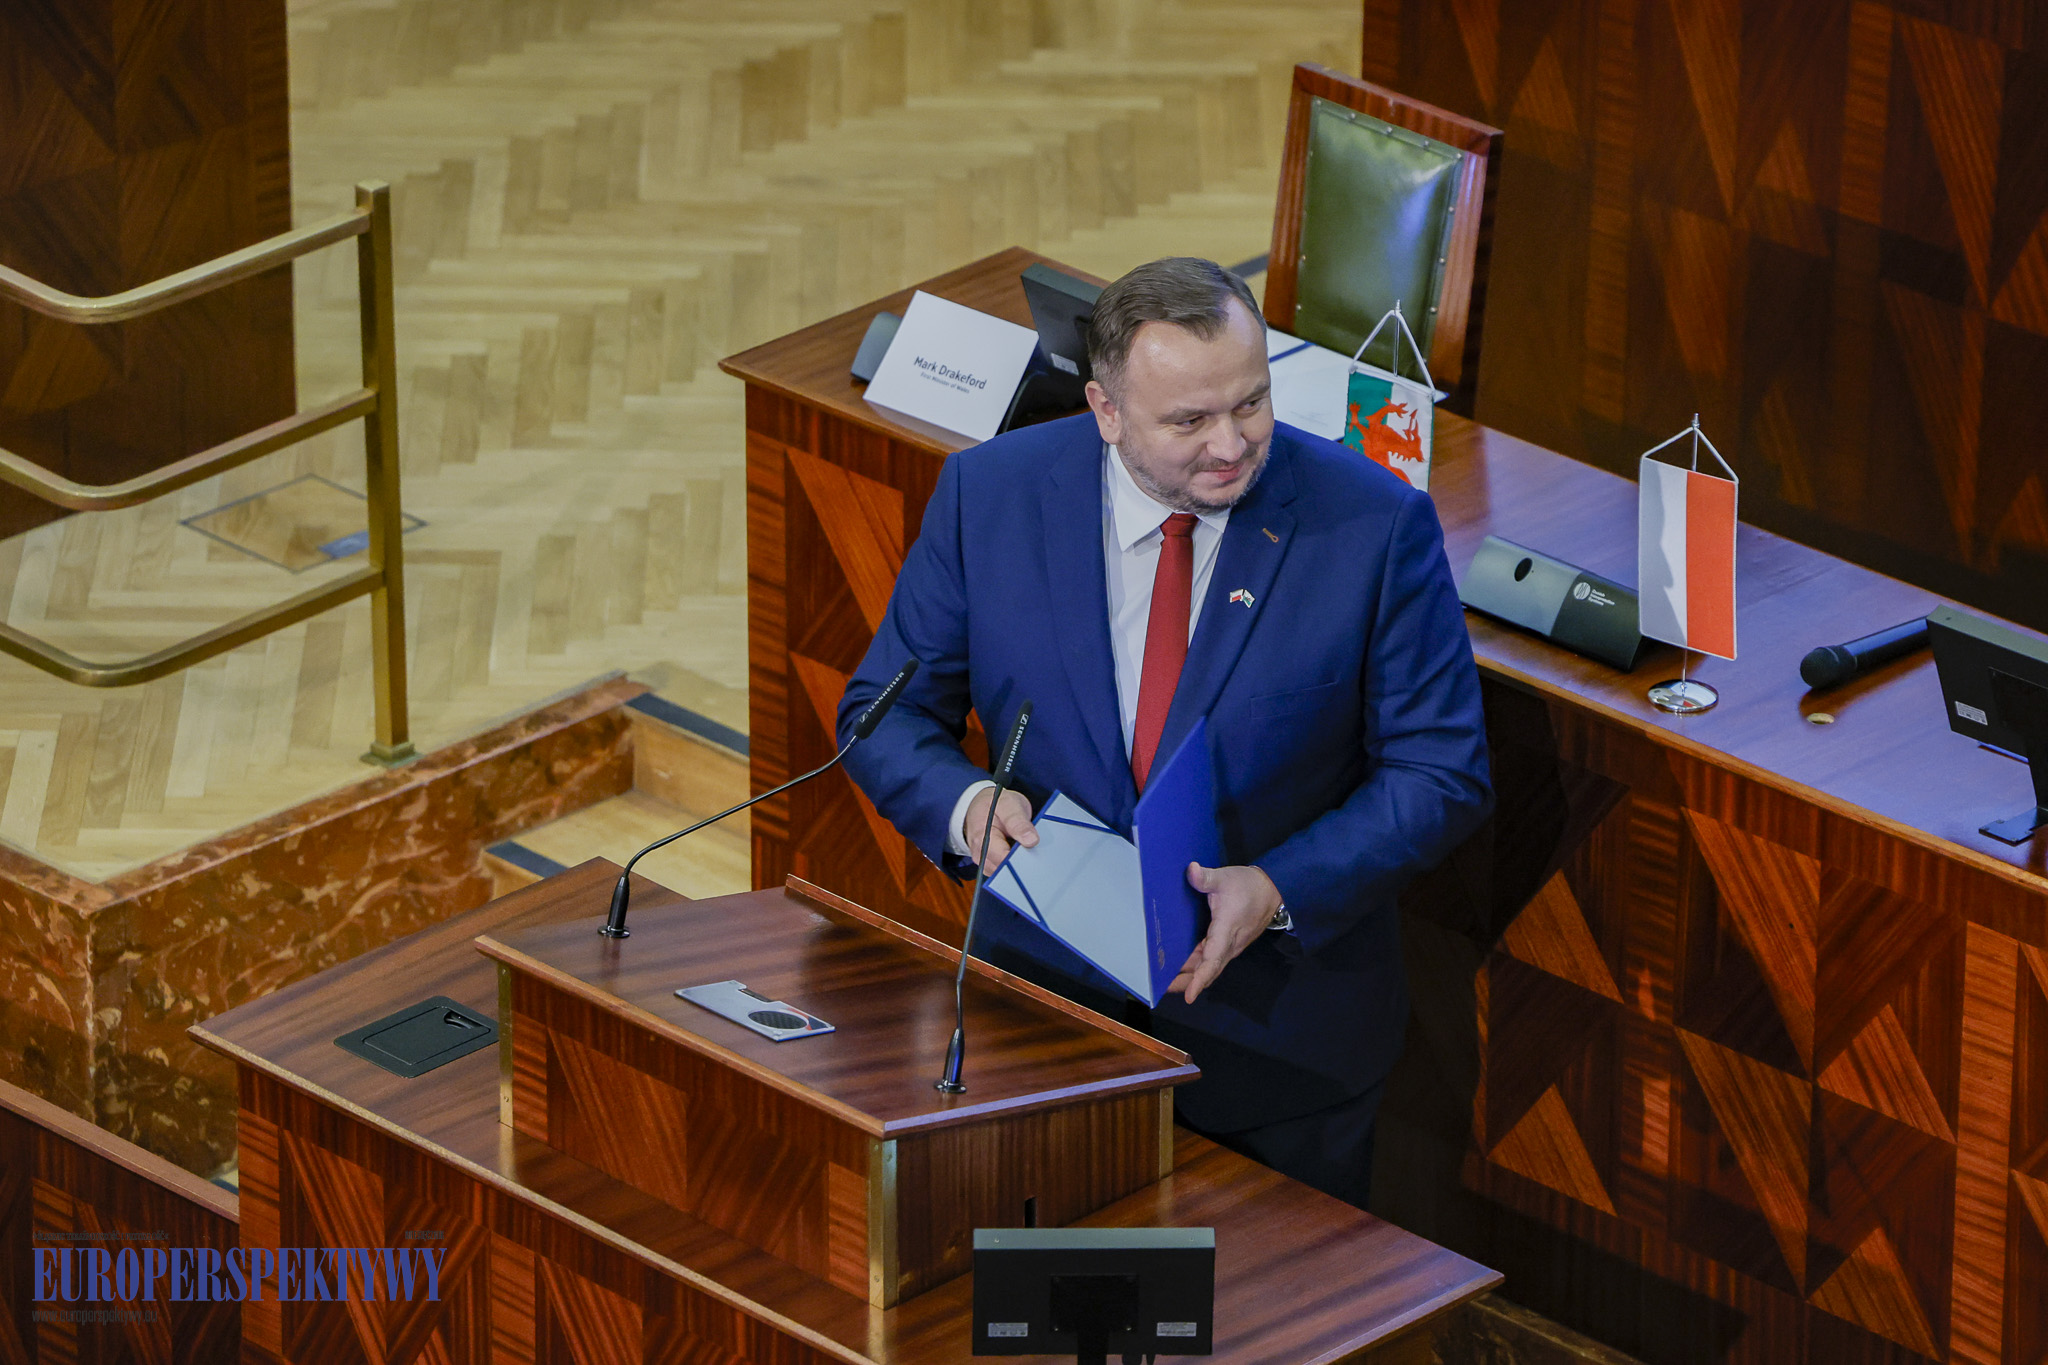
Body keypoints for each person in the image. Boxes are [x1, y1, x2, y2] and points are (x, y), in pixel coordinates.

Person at [836, 256, 1490, 1207]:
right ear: (1105, 410)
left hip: (1277, 1057)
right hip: (1042, 1026)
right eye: (1188, 421)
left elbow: (1440, 770)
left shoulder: (1372, 526)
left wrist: (1280, 886)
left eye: (1251, 403)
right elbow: (883, 713)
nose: (1231, 445)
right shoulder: (991, 494)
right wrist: (969, 805)